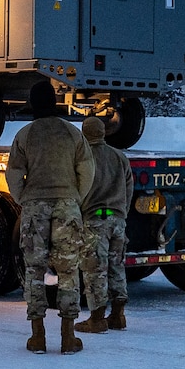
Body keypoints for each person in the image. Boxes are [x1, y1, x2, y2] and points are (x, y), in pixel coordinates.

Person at [5, 80, 94, 354]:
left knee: (34, 270)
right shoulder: (72, 133)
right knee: (68, 271)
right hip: (67, 204)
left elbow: (13, 173)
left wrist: (24, 199)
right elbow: (87, 170)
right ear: (54, 102)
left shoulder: (25, 134)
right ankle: (68, 336)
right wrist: (74, 198)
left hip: (35, 205)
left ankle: (38, 336)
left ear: (33, 104)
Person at [77, 116, 133, 332]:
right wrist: (122, 213)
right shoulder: (119, 156)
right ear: (103, 132)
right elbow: (128, 189)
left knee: (95, 270)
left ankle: (97, 318)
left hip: (94, 219)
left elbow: (78, 190)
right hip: (117, 219)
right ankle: (118, 315)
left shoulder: (83, 157)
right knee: (116, 266)